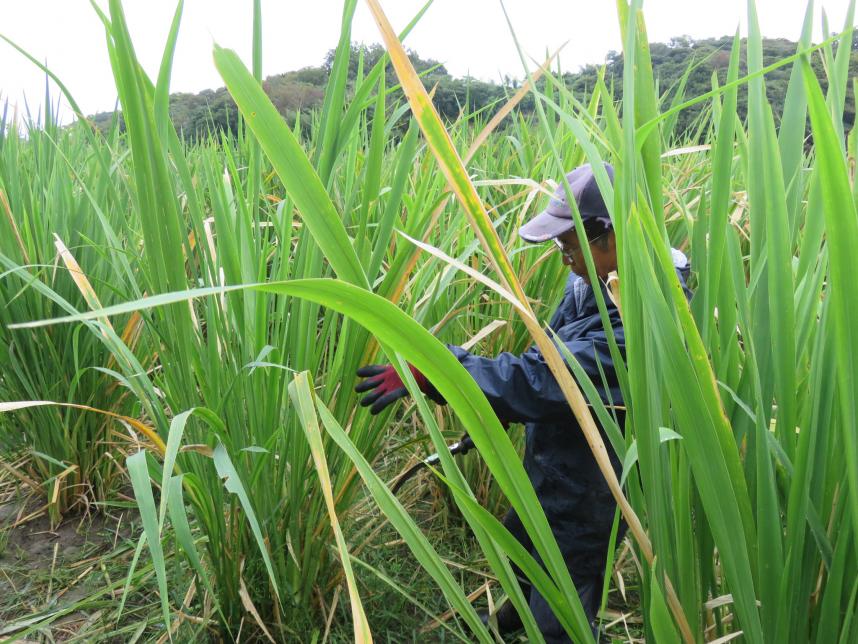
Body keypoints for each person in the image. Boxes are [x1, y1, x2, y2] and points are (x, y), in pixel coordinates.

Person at [355, 163, 691, 642]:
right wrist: (489, 412)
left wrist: (439, 371)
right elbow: (545, 352)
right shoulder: (593, 283)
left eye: (568, 244)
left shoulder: (646, 314)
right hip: (554, 461)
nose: (563, 258)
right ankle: (515, 619)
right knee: (527, 544)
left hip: (592, 488)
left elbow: (544, 380)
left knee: (567, 605)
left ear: (610, 235)